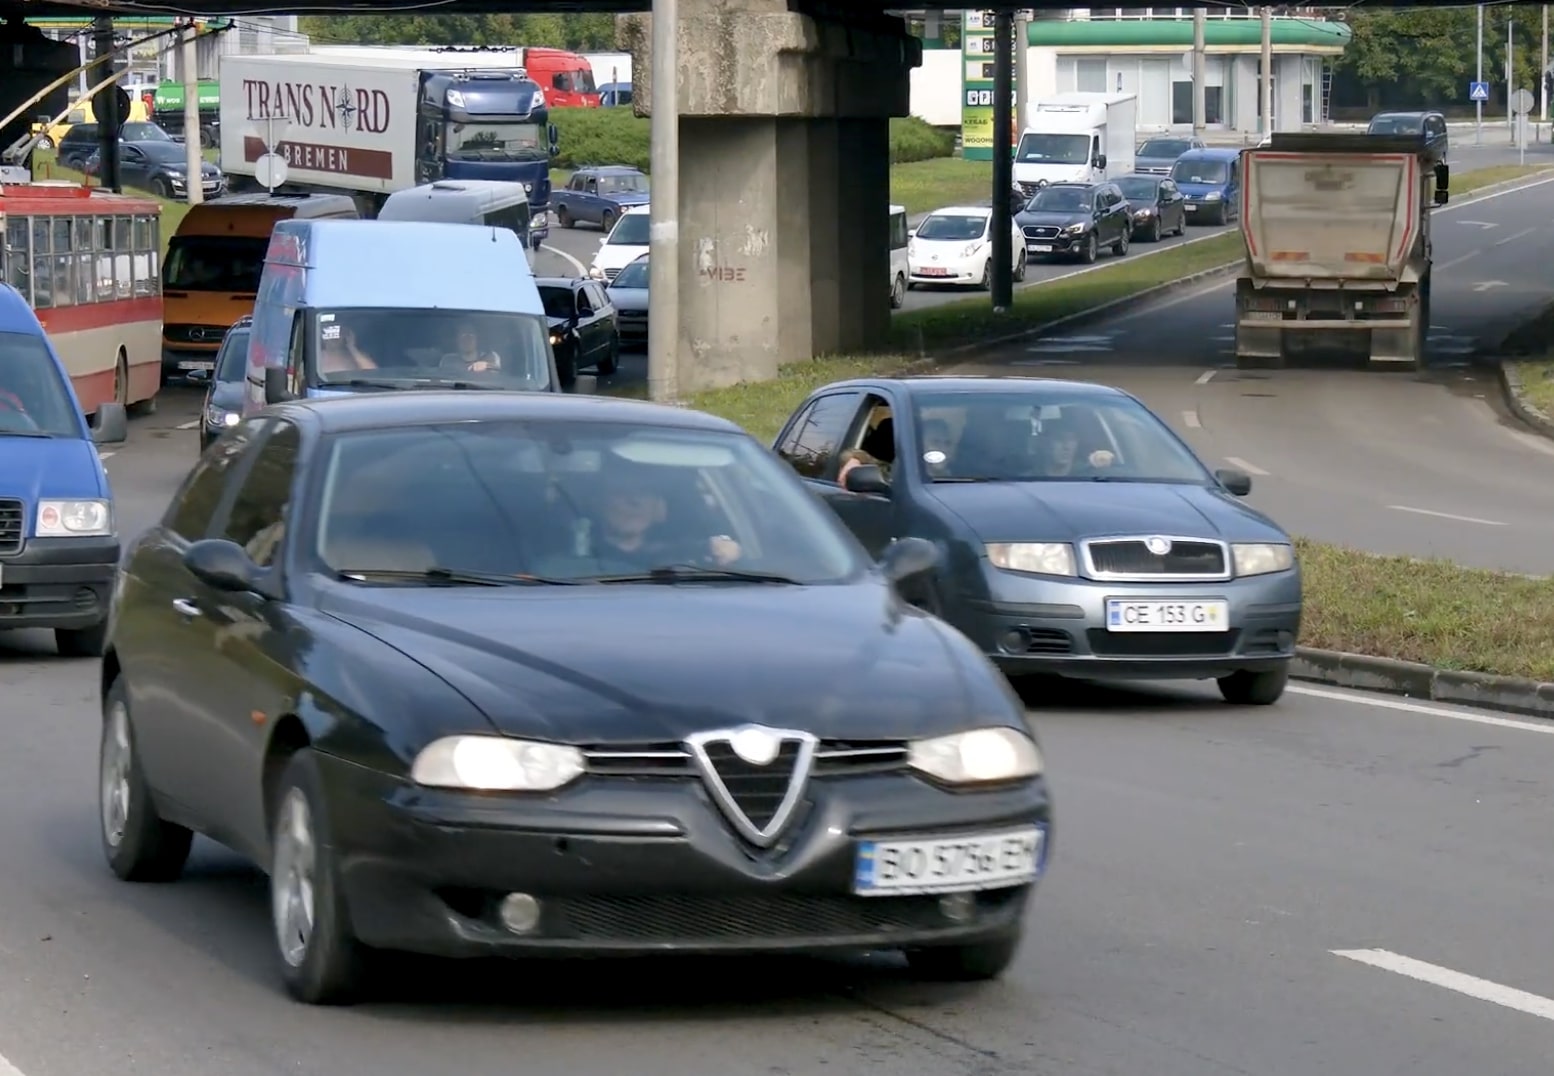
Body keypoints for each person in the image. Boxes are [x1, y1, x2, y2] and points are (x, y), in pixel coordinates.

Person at [584, 465, 741, 572]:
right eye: (621, 492)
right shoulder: (570, 559)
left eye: (644, 493)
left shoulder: (690, 556)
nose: (635, 501)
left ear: (660, 510)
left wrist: (725, 549)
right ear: (597, 503)